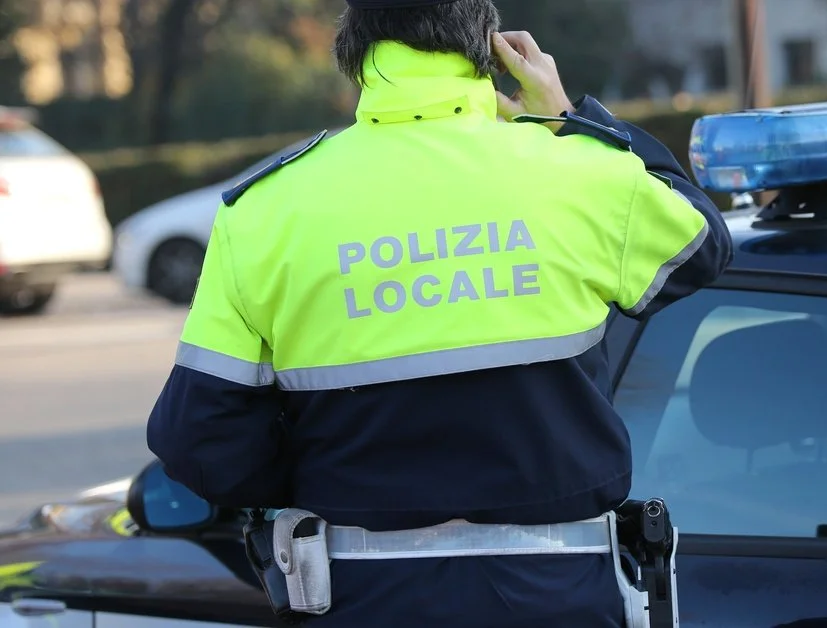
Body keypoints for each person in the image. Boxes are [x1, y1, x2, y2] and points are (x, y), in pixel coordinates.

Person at [144, 0, 733, 626]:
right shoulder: (578, 174)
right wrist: (568, 118)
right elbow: (702, 245)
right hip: (561, 592)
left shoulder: (263, 212)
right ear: (491, 46)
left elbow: (201, 444)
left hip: (363, 596)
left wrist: (326, 478)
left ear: (354, 53)